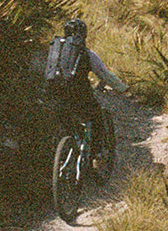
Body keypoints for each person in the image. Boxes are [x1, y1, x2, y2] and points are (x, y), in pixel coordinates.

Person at [46, 18, 127, 146]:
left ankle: (66, 147)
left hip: (53, 92)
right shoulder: (86, 53)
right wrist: (123, 88)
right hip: (79, 94)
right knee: (95, 115)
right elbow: (105, 74)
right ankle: (95, 152)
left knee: (65, 119)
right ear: (84, 34)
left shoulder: (54, 50)